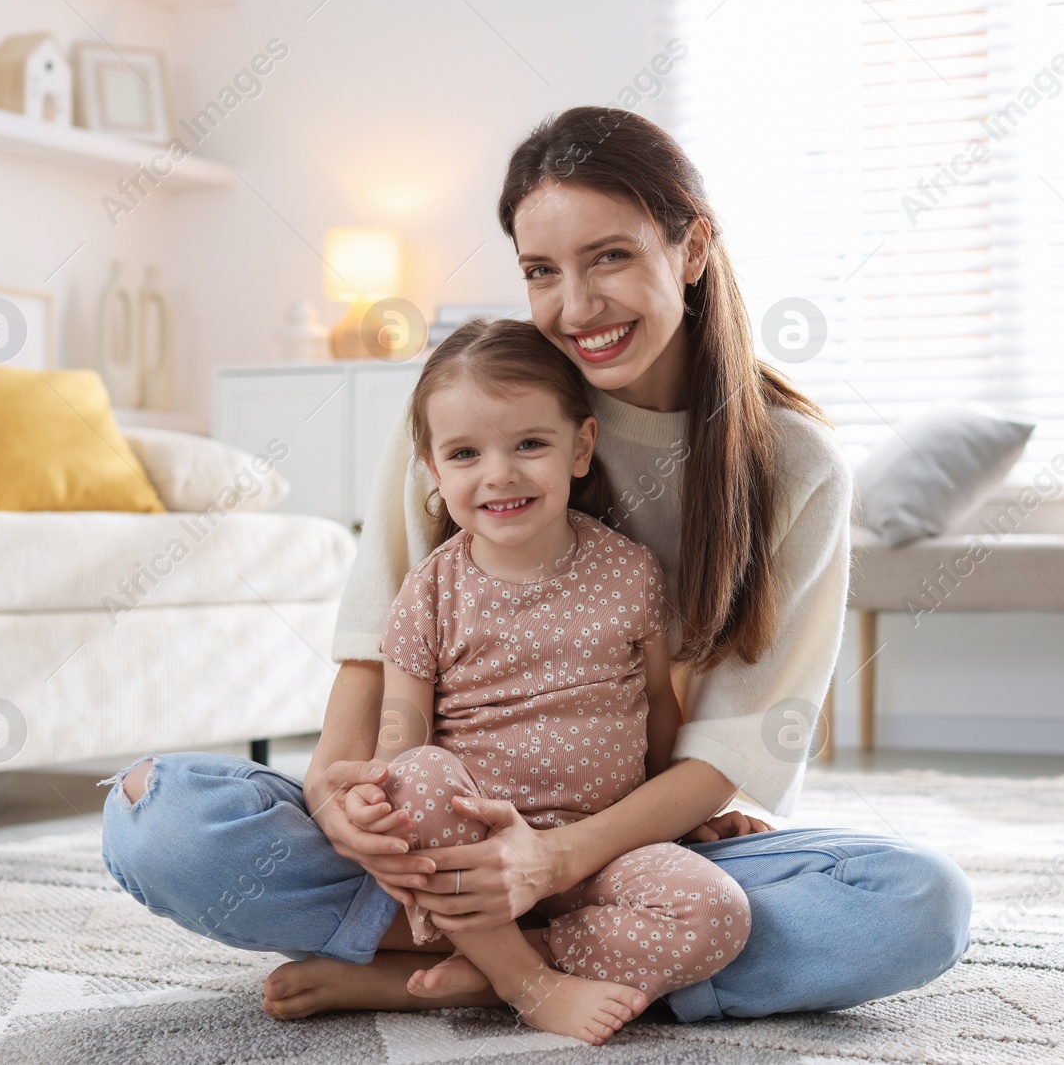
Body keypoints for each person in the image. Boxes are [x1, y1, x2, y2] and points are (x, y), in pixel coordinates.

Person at [99, 105, 971, 1024]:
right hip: (444, 826)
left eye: (611, 257)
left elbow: (728, 751)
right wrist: (332, 786)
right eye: (541, 271)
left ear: (692, 248)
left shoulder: (795, 466)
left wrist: (552, 861)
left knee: (917, 904)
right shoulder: (473, 410)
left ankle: (458, 967)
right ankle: (560, 959)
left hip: (629, 840)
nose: (577, 306)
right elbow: (375, 650)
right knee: (157, 819)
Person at [356, 316, 750, 1044]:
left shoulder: (632, 573)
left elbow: (658, 712)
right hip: (471, 858)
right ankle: (525, 982)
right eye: (466, 453)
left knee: (719, 913)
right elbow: (400, 731)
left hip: (601, 853)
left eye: (529, 443)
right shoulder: (429, 589)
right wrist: (380, 797)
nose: (499, 473)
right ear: (433, 469)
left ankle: (484, 970)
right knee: (416, 774)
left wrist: (684, 813)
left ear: (581, 447)